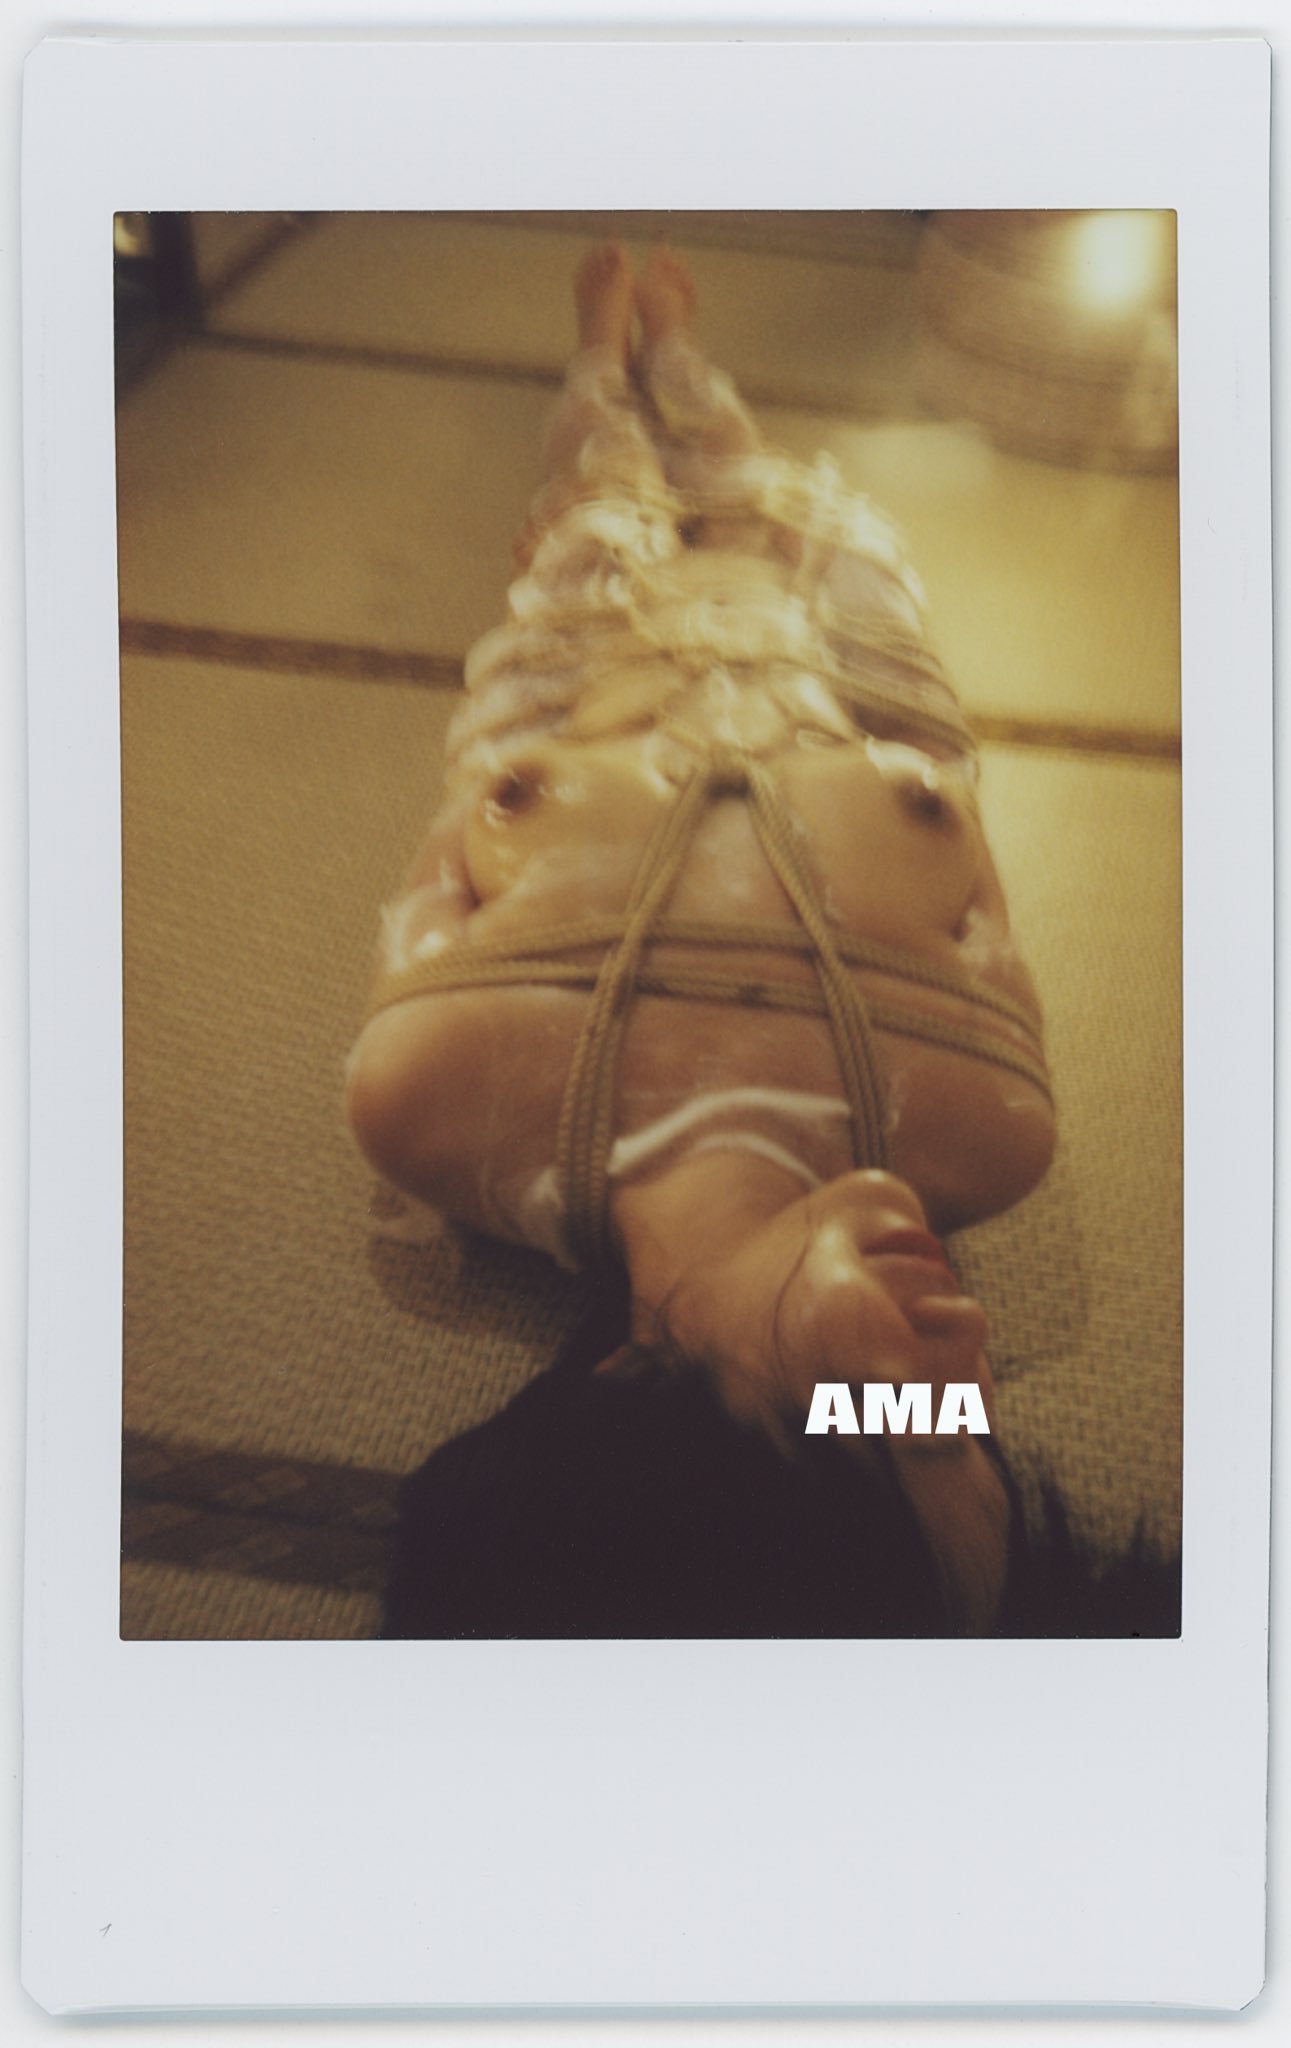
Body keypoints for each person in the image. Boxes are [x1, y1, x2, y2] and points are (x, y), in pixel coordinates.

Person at [347, 244, 1057, 1636]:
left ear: (625, 1400)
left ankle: (602, 365)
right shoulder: (988, 1125)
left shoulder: (438, 1092)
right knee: (773, 488)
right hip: (845, 697)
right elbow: (973, 874)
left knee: (598, 498)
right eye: (972, 1426)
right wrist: (894, 779)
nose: (966, 1356)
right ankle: (682, 364)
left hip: (595, 690)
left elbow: (456, 838)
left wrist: (548, 748)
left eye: (889, 1421)